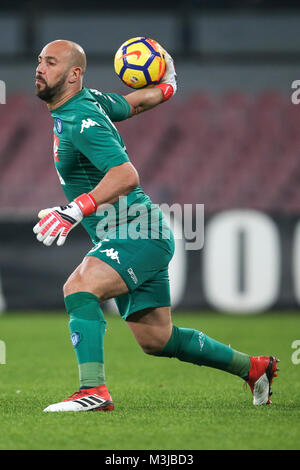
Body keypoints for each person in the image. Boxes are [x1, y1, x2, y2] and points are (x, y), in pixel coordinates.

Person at [33, 39, 279, 412]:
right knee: (157, 340)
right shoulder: (89, 101)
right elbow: (133, 102)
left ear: (74, 75)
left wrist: (76, 209)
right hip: (136, 233)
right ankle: (255, 368)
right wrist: (168, 85)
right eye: (39, 61)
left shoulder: (82, 121)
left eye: (50, 63)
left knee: (79, 287)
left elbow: (126, 174)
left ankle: (92, 392)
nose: (39, 68)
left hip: (136, 232)